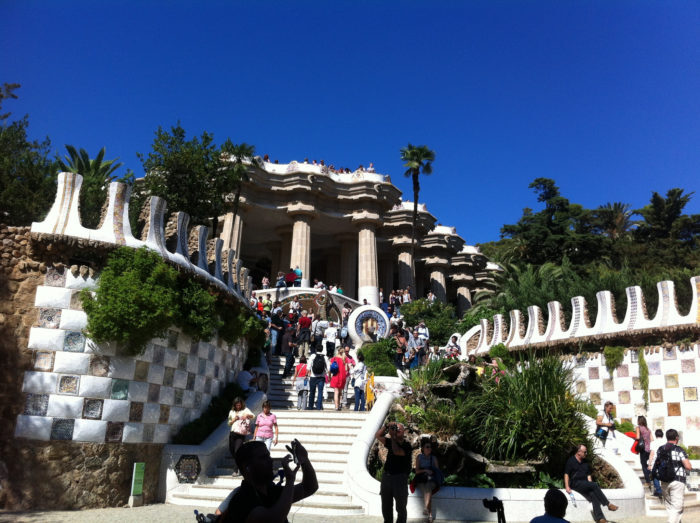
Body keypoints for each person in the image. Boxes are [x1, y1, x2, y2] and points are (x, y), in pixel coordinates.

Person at [220, 439, 318, 523]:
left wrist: (305, 461)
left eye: (268, 456)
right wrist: (290, 480)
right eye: (264, 457)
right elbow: (274, 519)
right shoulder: (241, 500)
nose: (271, 460)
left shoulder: (271, 491)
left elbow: (309, 487)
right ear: (247, 468)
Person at [564, 444, 618, 523]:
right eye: (585, 452)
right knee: (594, 485)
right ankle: (608, 504)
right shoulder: (571, 461)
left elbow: (588, 475)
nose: (586, 453)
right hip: (575, 483)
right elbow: (566, 474)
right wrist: (567, 486)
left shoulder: (585, 462)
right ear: (579, 452)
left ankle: (600, 519)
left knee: (593, 495)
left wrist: (589, 485)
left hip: (584, 484)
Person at [651, 428, 692, 523]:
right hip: (677, 480)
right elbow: (688, 466)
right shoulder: (679, 449)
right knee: (677, 508)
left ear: (666, 437)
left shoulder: (661, 449)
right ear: (677, 438)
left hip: (664, 481)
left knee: (670, 508)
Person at [375, 422, 412, 523]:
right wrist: (386, 426)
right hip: (387, 477)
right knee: (386, 505)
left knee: (401, 507)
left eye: (399, 429)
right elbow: (377, 435)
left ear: (403, 432)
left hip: (400, 478)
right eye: (395, 429)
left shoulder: (407, 445)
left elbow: (396, 451)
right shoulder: (391, 441)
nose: (396, 431)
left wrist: (392, 436)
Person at [413, 440, 442, 522]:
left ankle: (426, 509)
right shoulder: (419, 457)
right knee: (427, 490)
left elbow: (438, 471)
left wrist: (432, 471)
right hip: (421, 478)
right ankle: (430, 515)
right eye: (427, 447)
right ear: (423, 448)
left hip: (432, 479)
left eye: (430, 447)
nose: (429, 448)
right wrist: (425, 470)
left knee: (428, 487)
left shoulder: (434, 458)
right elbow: (416, 471)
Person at [228, 397, 255, 475]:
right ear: (234, 405)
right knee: (232, 450)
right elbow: (229, 423)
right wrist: (234, 419)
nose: (238, 406)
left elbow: (253, 416)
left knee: (237, 452)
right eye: (237, 405)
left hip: (241, 434)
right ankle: (242, 461)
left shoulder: (245, 410)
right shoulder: (231, 412)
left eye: (239, 405)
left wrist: (246, 415)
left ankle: (236, 470)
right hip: (233, 433)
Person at [635, 415, 653, 491]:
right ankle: (651, 478)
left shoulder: (638, 427)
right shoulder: (648, 429)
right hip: (649, 449)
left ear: (639, 421)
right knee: (648, 464)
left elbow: (638, 437)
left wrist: (635, 437)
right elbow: (652, 439)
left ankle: (648, 481)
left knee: (643, 464)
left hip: (643, 449)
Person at [647, 428, 665, 498]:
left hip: (655, 461)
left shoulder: (653, 443)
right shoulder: (665, 443)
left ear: (655, 435)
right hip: (664, 461)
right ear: (662, 435)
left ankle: (658, 490)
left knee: (655, 475)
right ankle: (664, 490)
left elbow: (652, 453)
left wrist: (649, 464)